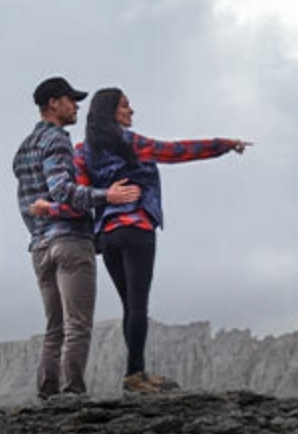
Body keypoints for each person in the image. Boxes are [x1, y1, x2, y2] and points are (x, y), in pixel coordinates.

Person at [76, 86, 248, 394]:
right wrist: (225, 144)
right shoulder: (132, 143)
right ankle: (135, 375)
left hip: (107, 235)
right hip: (137, 226)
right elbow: (179, 151)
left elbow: (83, 194)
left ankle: (137, 372)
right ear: (111, 112)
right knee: (139, 303)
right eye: (125, 106)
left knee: (128, 304)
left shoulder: (82, 151)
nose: (131, 111)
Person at [13, 76, 139, 401]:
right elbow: (63, 191)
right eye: (71, 100)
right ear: (54, 103)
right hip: (69, 242)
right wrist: (106, 195)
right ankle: (72, 396)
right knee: (77, 326)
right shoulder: (56, 140)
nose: (77, 106)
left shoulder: (23, 148)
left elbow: (29, 203)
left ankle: (47, 396)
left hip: (39, 247)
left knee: (54, 328)